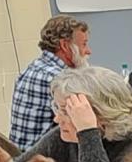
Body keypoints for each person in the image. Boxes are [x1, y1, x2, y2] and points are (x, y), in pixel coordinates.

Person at [20, 65, 132, 162]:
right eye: (57, 108)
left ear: (102, 115)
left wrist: (87, 131)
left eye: (67, 111)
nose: (57, 119)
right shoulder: (63, 136)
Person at [9, 16, 89, 149]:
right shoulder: (60, 79)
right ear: (65, 45)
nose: (88, 51)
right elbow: (83, 124)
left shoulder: (33, 68)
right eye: (84, 44)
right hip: (43, 159)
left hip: (23, 156)